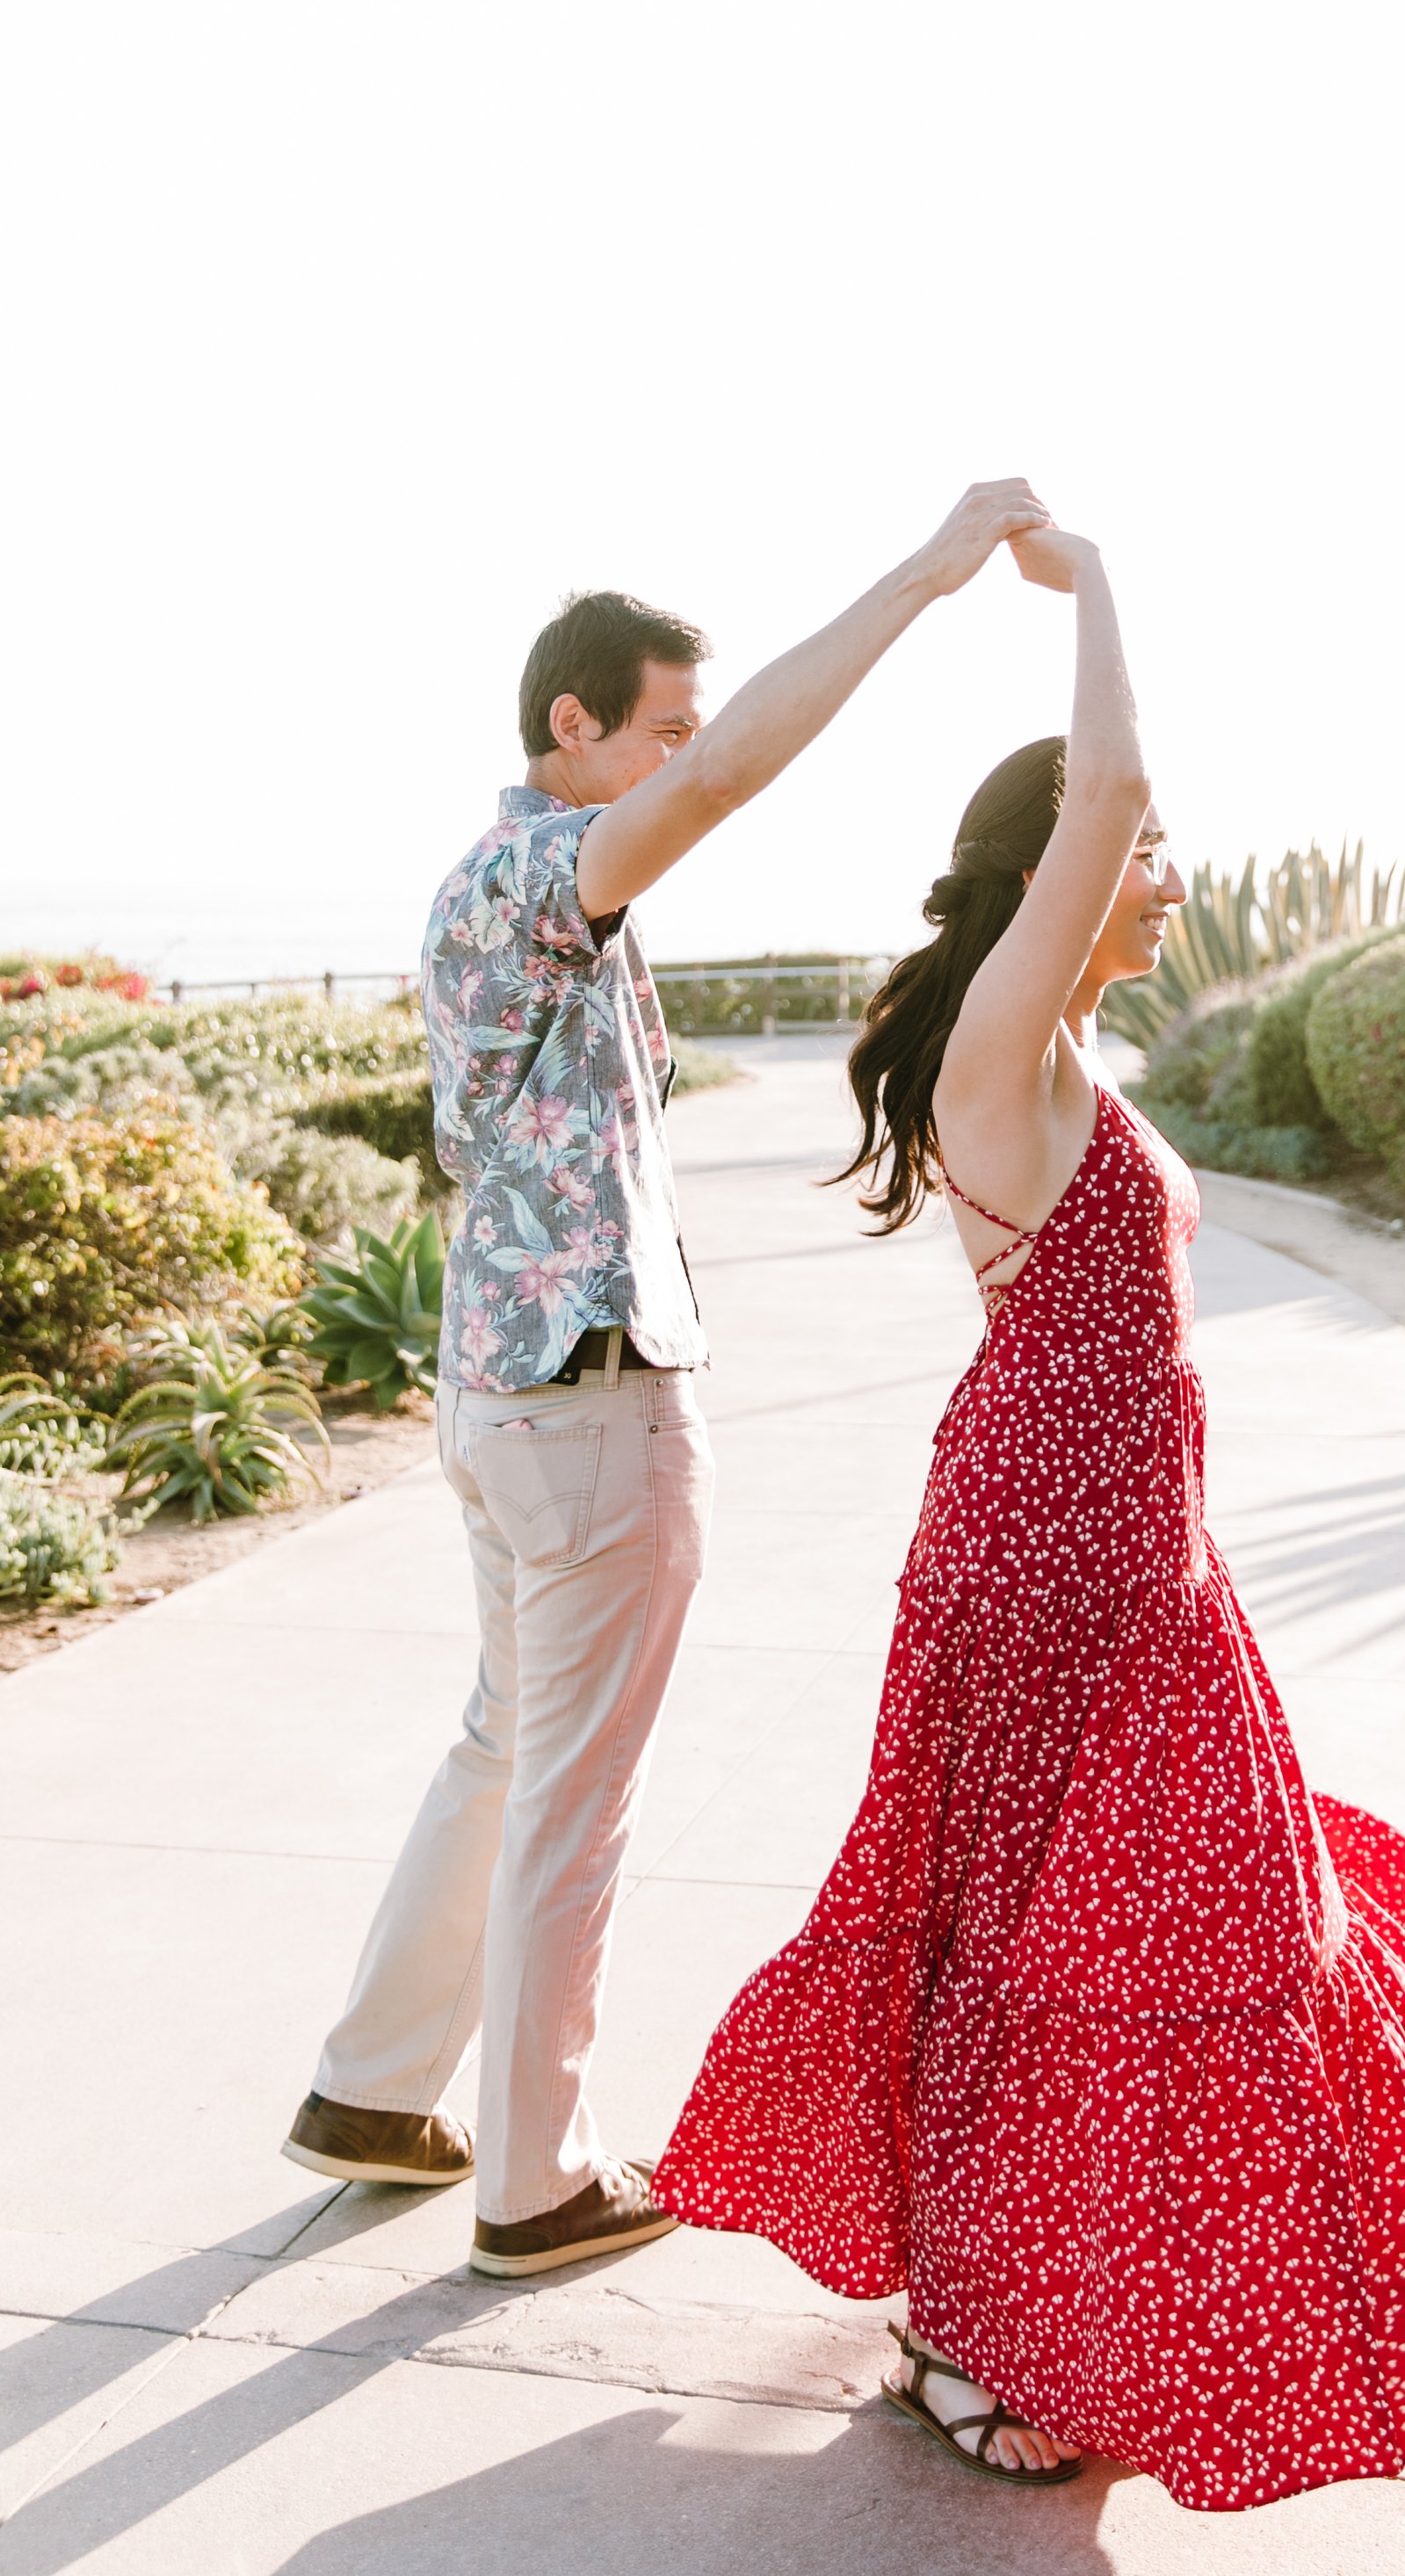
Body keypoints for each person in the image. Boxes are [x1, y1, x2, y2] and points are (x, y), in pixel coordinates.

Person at [652, 525, 1405, 2507]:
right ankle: (974, 2332)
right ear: (1056, 879)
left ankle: (993, 2316)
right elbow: (1097, 786)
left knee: (1103, 1947)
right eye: (1144, 847)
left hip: (1129, 1564)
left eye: (1168, 845)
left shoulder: (1070, 1056)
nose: (1164, 869)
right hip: (1045, 1579)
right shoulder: (1001, 1059)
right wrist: (1079, 575)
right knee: (1079, 1951)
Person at [282, 478, 1052, 2283]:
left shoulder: (491, 885)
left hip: (507, 1393)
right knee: (572, 1787)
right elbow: (718, 789)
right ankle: (535, 2180)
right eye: (661, 726)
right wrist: (929, 577)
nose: (688, 761)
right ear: (572, 728)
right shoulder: (542, 873)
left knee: (503, 1750)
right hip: (588, 1395)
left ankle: (372, 2090)